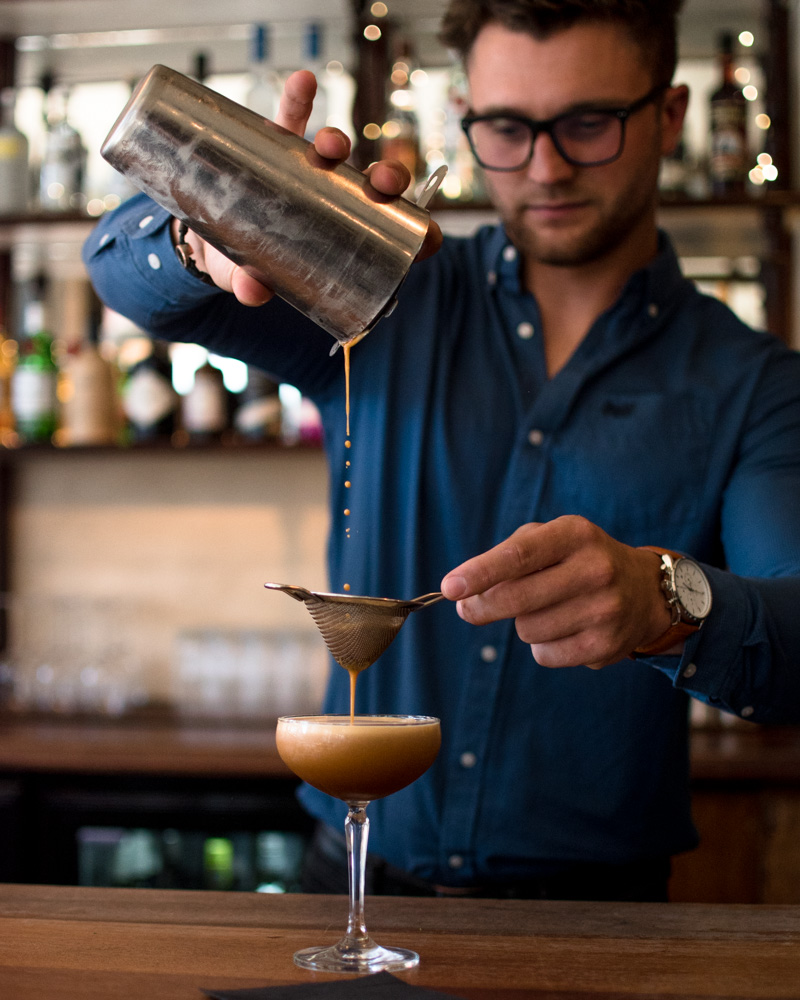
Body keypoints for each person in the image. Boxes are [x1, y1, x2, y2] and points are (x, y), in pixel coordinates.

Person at [84, 0, 800, 902]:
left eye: (589, 123)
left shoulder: (753, 382)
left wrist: (666, 603)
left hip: (592, 921)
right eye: (506, 127)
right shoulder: (383, 287)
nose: (545, 166)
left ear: (669, 116)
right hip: (347, 880)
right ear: (466, 113)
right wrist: (209, 228)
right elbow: (115, 264)